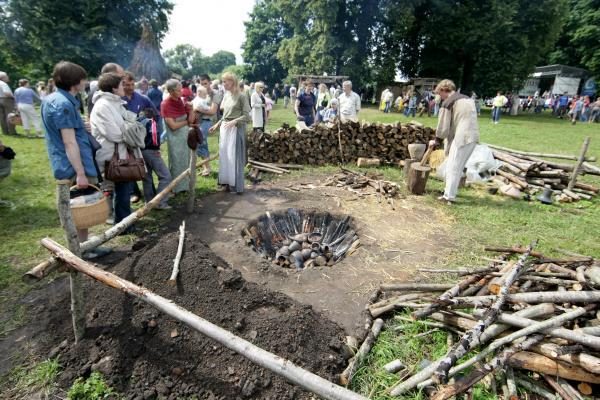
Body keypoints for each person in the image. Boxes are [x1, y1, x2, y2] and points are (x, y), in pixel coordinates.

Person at [41, 61, 110, 258]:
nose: (86, 82)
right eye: (83, 78)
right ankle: (79, 251)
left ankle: (85, 246)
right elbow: (69, 142)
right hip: (72, 165)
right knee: (79, 207)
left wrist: (82, 127)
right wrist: (80, 173)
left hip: (70, 161)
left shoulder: (54, 99)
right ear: (75, 82)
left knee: (82, 207)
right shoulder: (63, 104)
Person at [91, 72, 139, 226]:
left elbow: (130, 119)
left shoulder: (114, 103)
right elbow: (115, 134)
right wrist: (130, 130)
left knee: (123, 191)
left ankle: (123, 221)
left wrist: (130, 126)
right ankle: (122, 224)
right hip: (111, 155)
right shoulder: (103, 106)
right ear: (113, 88)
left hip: (120, 153)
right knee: (117, 190)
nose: (124, 87)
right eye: (121, 84)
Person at [430, 79, 479, 204]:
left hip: (462, 138)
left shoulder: (448, 102)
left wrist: (437, 140)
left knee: (453, 167)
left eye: (439, 93)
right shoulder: (467, 99)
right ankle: (449, 192)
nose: (439, 97)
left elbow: (443, 126)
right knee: (457, 166)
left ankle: (448, 197)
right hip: (472, 137)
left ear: (443, 90)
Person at [209, 72, 250, 194]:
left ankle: (237, 186)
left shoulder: (242, 96)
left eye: (225, 81)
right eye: (222, 81)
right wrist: (217, 124)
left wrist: (234, 122)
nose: (223, 84)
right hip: (225, 129)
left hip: (236, 129)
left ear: (232, 82)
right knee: (225, 156)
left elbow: (247, 116)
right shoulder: (226, 95)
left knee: (234, 157)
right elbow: (225, 115)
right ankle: (226, 183)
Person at [161, 79, 192, 193]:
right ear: (170, 91)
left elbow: (191, 119)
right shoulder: (165, 104)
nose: (181, 92)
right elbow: (173, 126)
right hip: (175, 137)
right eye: (178, 90)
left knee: (187, 159)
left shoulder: (181, 101)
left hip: (185, 135)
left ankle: (187, 185)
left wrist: (191, 109)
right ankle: (176, 187)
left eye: (181, 90)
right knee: (177, 161)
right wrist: (186, 123)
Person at [193, 74, 224, 176]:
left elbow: (212, 111)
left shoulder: (216, 94)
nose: (204, 86)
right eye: (201, 84)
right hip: (200, 121)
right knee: (202, 143)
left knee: (200, 142)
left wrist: (198, 109)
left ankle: (206, 167)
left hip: (209, 121)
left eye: (205, 83)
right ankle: (206, 167)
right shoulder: (201, 93)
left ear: (210, 82)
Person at [0, 72, 17, 136]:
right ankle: (12, 131)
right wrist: (13, 97)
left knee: (2, 117)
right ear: (3, 78)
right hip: (6, 100)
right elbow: (6, 93)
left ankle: (5, 131)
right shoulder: (3, 84)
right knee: (10, 116)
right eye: (7, 76)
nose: (8, 77)